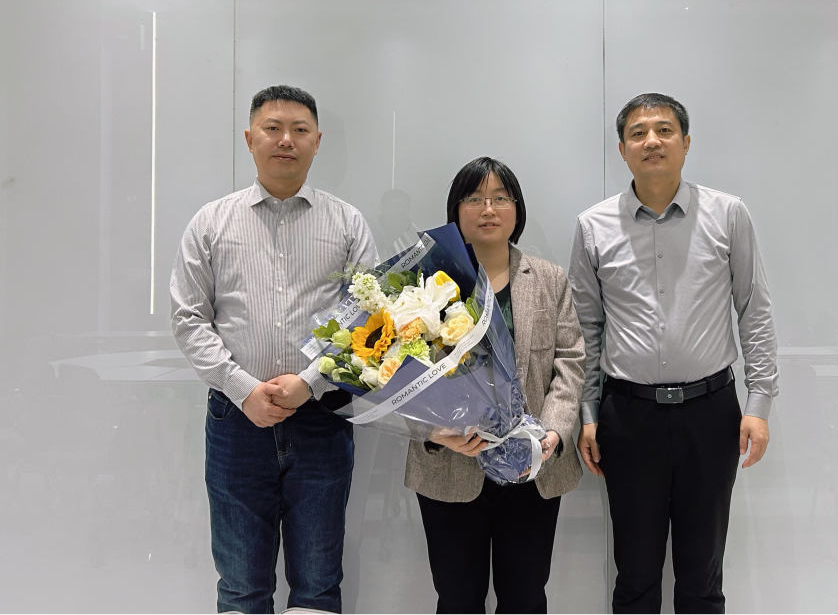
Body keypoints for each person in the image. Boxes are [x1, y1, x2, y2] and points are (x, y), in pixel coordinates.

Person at [170, 85, 377, 614]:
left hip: (322, 418)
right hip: (236, 422)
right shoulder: (211, 222)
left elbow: (368, 319)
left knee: (318, 583)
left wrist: (309, 382)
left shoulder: (347, 223)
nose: (286, 140)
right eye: (273, 128)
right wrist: (243, 389)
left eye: (299, 130)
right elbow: (189, 319)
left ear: (317, 141)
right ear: (249, 138)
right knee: (241, 585)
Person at [570, 93, 778, 614]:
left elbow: (754, 310)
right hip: (628, 415)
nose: (652, 141)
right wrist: (588, 413)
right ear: (622, 149)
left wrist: (758, 404)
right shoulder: (593, 226)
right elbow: (585, 329)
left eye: (664, 130)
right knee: (634, 574)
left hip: (711, 413)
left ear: (686, 143)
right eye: (638, 133)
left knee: (702, 576)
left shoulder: (728, 215)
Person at [404, 157, 585, 615]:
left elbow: (570, 362)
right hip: (450, 464)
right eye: (474, 198)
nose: (488, 208)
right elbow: (397, 373)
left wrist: (553, 433)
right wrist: (432, 431)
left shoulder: (548, 279)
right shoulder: (424, 283)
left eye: (500, 198)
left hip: (531, 468)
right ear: (456, 210)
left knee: (525, 598)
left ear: (516, 209)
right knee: (457, 599)